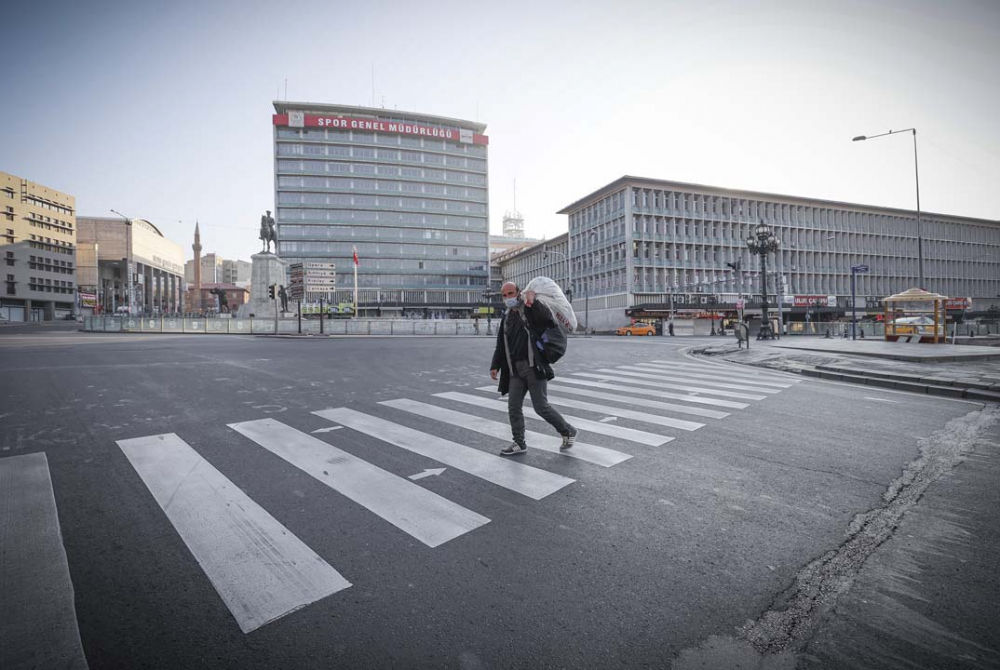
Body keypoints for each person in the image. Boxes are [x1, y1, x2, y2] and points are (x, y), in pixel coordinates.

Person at [490, 282, 577, 456]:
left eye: (511, 293)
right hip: (515, 370)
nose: (508, 298)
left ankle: (567, 430)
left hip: (533, 366)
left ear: (519, 292)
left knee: (541, 407)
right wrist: (495, 365)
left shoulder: (530, 309)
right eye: (504, 295)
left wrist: (534, 300)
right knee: (513, 407)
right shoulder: (507, 317)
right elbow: (501, 344)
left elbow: (548, 319)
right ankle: (519, 442)